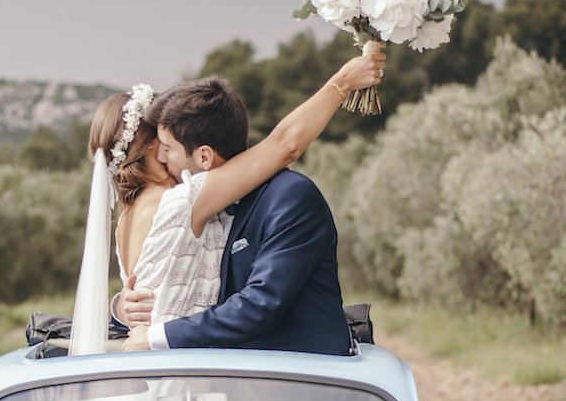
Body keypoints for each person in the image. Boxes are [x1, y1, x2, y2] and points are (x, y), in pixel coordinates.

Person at [80, 45, 382, 355]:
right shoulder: (179, 202)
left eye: (167, 147)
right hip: (186, 366)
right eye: (162, 146)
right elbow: (283, 145)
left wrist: (120, 309)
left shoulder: (128, 218)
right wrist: (342, 82)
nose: (163, 156)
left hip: (285, 368)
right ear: (145, 149)